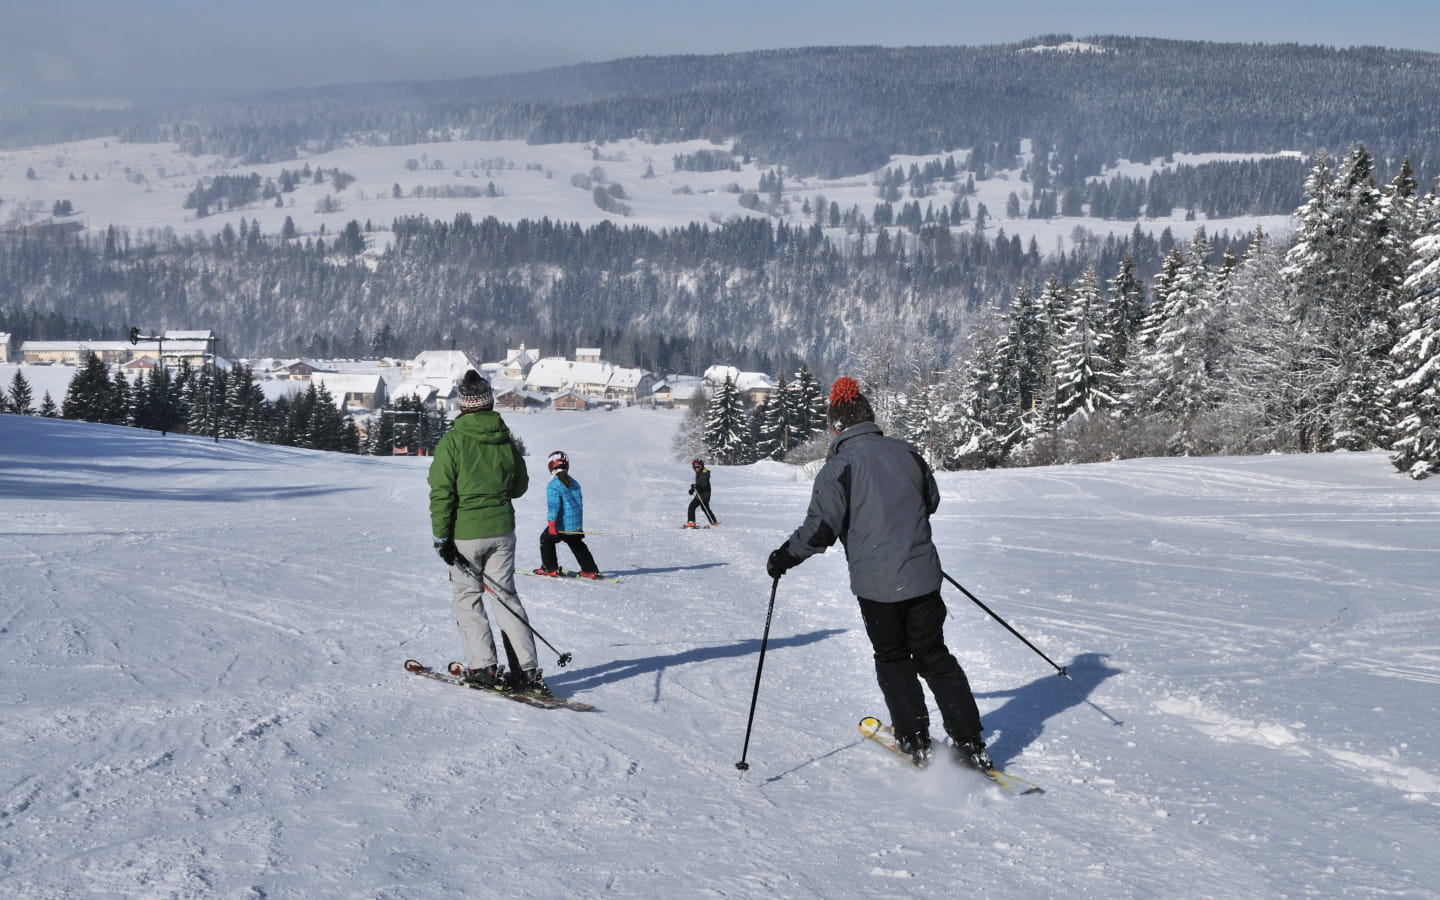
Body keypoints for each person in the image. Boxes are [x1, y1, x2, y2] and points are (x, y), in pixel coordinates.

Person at [765, 376, 989, 769]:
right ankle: (970, 742)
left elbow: (820, 529)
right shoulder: (907, 454)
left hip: (878, 586)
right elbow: (930, 501)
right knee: (935, 656)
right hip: (922, 577)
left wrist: (784, 556)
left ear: (835, 426)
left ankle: (915, 739)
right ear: (869, 416)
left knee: (893, 656)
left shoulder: (840, 466)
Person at [428, 370, 551, 696]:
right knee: (506, 598)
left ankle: (483, 667)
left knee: (468, 599)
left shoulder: (453, 442)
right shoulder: (504, 440)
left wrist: (442, 537)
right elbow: (520, 486)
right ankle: (527, 672)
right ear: (488, 401)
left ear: (462, 404)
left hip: (466, 535)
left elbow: (442, 493)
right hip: (502, 532)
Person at [534, 450, 603, 579]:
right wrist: (578, 525)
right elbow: (579, 505)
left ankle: (550, 568)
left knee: (546, 540)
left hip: (561, 525)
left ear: (551, 466)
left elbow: (554, 507)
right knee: (576, 544)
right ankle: (590, 570)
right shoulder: (574, 482)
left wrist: (552, 524)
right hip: (574, 524)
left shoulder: (553, 485)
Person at [685, 458, 718, 527]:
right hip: (703, 494)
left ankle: (691, 522)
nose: (696, 468)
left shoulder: (704, 473)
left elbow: (704, 484)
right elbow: (700, 484)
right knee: (705, 508)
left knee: (692, 506)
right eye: (694, 467)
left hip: (703, 495)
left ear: (701, 466)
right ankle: (714, 522)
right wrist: (693, 489)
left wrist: (696, 487)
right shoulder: (699, 473)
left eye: (698, 467)